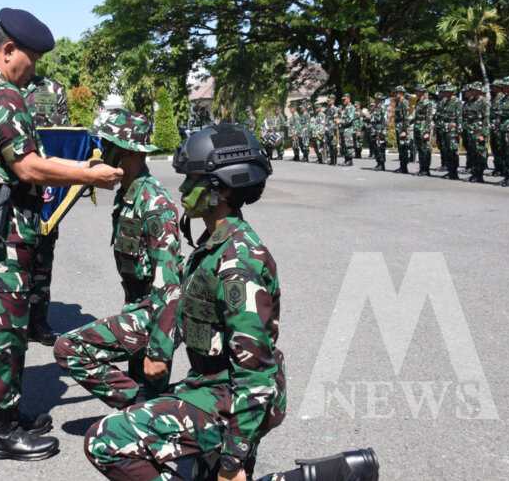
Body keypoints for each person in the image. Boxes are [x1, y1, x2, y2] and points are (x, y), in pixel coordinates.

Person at [83, 124, 379, 481]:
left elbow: (256, 376)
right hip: (210, 387)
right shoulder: (214, 243)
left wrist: (232, 460)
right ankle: (341, 472)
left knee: (106, 440)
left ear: (217, 190)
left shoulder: (238, 264)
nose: (182, 190)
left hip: (230, 397)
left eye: (191, 180)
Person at [0, 8, 123, 461]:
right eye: (32, 58)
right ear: (8, 51)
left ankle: (6, 412)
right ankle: (0, 433)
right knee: (6, 327)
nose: (36, 68)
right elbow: (26, 165)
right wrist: (86, 174)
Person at [54, 108, 182, 409]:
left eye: (104, 146)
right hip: (138, 305)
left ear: (123, 151)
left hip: (157, 313)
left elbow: (170, 286)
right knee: (148, 392)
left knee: (69, 348)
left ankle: (143, 406)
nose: (98, 153)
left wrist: (159, 350)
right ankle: (146, 409)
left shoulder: (153, 203)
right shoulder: (128, 193)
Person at [22, 75, 70, 346]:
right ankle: (14, 320)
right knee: (13, 257)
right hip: (16, 182)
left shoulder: (54, 89)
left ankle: (38, 321)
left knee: (43, 255)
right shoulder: (3, 88)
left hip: (47, 188)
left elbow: (64, 138)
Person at [462, 82, 489, 183]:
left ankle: (479, 175)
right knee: (472, 153)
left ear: (478, 90)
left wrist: (483, 134)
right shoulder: (470, 101)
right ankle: (474, 173)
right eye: (471, 90)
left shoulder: (484, 102)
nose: (471, 91)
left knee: (479, 153)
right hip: (470, 131)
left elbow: (486, 119)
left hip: (479, 131)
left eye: (473, 90)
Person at [435, 84, 462, 180]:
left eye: (446, 91)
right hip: (444, 129)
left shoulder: (457, 102)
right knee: (446, 150)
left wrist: (459, 131)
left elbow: (459, 117)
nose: (444, 93)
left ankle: (454, 172)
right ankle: (450, 171)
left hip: (452, 130)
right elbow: (439, 115)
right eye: (443, 92)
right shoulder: (444, 101)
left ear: (451, 92)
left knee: (453, 151)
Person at [412, 85, 435, 176]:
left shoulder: (428, 102)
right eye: (416, 91)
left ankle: (426, 169)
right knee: (420, 149)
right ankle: (422, 168)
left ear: (422, 92)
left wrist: (427, 132)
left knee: (426, 149)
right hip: (417, 126)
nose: (416, 93)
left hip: (424, 127)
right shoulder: (418, 101)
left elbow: (429, 118)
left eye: (418, 91)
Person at [499, 75, 509, 187]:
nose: (503, 88)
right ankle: (508, 175)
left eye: (505, 86)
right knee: (506, 153)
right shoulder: (505, 98)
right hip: (504, 128)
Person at [392, 86, 410, 174]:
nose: (395, 94)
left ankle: (404, 167)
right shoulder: (398, 103)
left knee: (403, 148)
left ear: (401, 93)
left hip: (402, 128)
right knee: (401, 148)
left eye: (396, 92)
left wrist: (404, 130)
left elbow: (406, 118)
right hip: (398, 127)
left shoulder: (404, 102)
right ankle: (402, 166)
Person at [370, 93, 387, 171]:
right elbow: (373, 118)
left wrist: (380, 132)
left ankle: (381, 164)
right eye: (376, 99)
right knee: (376, 147)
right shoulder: (375, 108)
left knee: (380, 147)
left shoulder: (382, 107)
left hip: (379, 130)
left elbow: (384, 120)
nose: (377, 100)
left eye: (378, 99)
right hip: (374, 130)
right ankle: (378, 163)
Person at [338, 94, 356, 166]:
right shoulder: (344, 108)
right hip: (343, 130)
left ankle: (350, 160)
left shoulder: (351, 107)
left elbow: (349, 120)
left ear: (349, 99)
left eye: (344, 99)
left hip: (348, 129)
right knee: (344, 145)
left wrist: (340, 121)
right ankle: (346, 159)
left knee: (348, 145)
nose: (343, 101)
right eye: (342, 100)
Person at [324, 95, 339, 165]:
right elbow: (326, 119)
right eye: (328, 100)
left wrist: (334, 129)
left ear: (333, 100)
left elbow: (336, 120)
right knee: (329, 145)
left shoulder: (335, 109)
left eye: (329, 100)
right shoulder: (327, 109)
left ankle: (334, 160)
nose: (328, 101)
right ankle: (332, 159)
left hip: (333, 130)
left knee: (333, 145)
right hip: (328, 129)